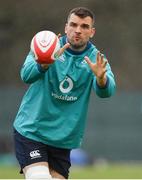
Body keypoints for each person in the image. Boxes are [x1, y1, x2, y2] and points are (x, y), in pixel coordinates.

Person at [13, 7, 116, 179]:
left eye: (84, 26)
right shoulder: (45, 45)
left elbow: (107, 91)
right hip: (32, 131)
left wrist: (101, 78)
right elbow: (26, 75)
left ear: (92, 32)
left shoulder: (96, 59)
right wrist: (44, 64)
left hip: (62, 140)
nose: (78, 30)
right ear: (66, 27)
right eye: (74, 25)